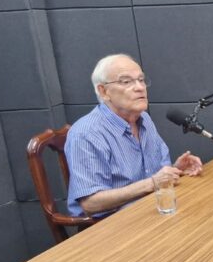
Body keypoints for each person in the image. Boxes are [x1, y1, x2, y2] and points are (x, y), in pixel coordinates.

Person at [66, 54, 203, 217]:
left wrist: (175, 170)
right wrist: (152, 183)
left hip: (150, 209)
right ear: (104, 91)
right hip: (112, 223)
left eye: (141, 80)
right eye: (126, 82)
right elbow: (90, 203)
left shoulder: (143, 118)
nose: (140, 87)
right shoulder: (86, 133)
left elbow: (153, 176)